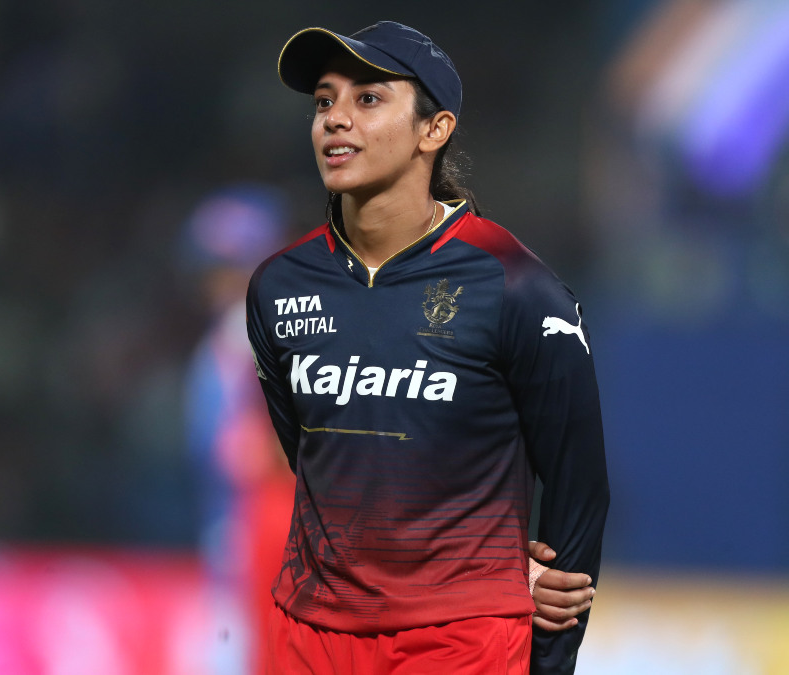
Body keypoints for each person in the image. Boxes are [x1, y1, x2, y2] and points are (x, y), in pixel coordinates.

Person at [246, 21, 610, 674]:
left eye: (367, 99)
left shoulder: (516, 285)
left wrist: (550, 661)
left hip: (458, 638)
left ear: (433, 130)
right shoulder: (278, 287)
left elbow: (579, 486)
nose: (335, 119)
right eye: (324, 101)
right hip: (310, 637)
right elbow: (316, 454)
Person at [181, 185, 298, 674]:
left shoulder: (274, 334)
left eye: (234, 266)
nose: (223, 282)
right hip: (230, 539)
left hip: (273, 540)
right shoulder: (220, 346)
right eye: (214, 270)